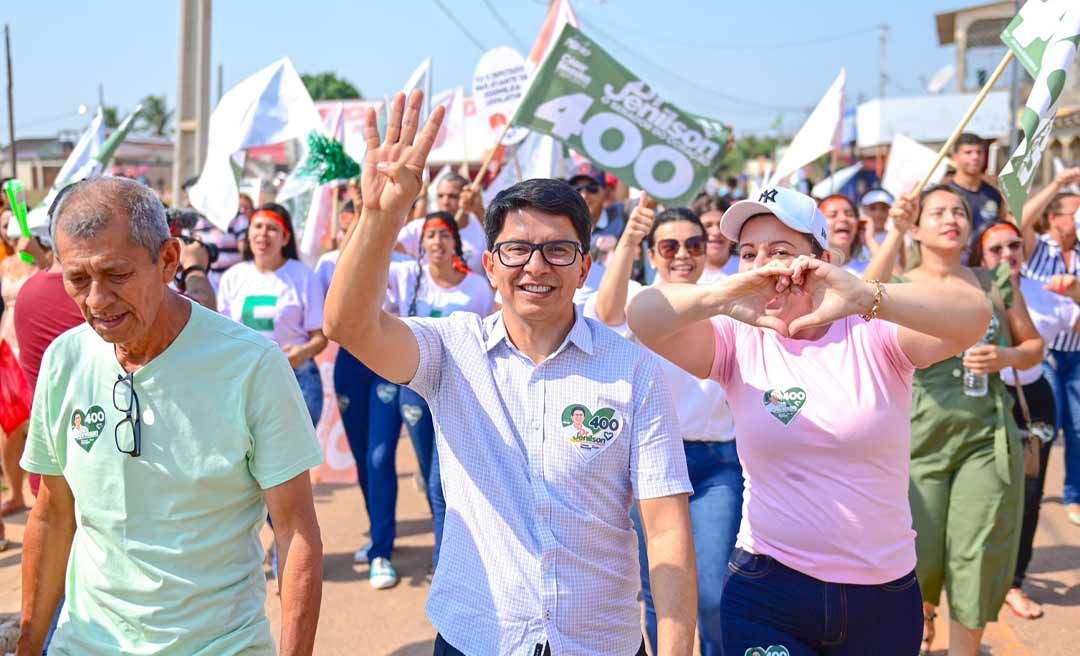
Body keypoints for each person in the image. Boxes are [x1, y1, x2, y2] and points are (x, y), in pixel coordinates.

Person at [324, 91, 695, 656]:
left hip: (600, 641)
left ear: (585, 268)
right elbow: (349, 324)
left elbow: (666, 530)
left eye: (558, 251)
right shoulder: (452, 350)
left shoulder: (632, 369)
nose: (537, 267)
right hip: (480, 635)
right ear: (490, 265)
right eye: (517, 250)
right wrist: (381, 215)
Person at [627, 185, 994, 656]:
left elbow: (973, 316)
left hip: (880, 594)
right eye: (749, 253)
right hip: (768, 588)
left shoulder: (872, 330)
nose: (767, 266)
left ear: (822, 257)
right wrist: (724, 295)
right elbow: (644, 316)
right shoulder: (737, 337)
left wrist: (864, 294)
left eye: (782, 252)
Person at [16, 176, 324, 655]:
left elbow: (295, 529)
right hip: (84, 644)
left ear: (167, 260)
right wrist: (29, 645)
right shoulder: (64, 361)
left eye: (116, 275)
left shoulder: (252, 366)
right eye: (78, 279)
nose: (96, 301)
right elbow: (54, 513)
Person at [864, 185, 1042, 656]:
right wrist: (892, 233)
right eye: (938, 211)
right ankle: (919, 630)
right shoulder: (899, 286)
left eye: (959, 211)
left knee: (976, 557)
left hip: (986, 437)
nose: (951, 218)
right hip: (914, 439)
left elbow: (1034, 348)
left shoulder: (993, 281)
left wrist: (1005, 354)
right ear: (917, 226)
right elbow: (860, 306)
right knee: (915, 558)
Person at [589, 195, 741, 656]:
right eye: (669, 246)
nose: (682, 255)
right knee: (660, 595)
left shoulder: (724, 294)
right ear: (652, 254)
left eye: (693, 244)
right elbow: (606, 314)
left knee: (714, 594)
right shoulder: (640, 298)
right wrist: (629, 240)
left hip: (718, 464)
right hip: (654, 467)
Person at [370, 210, 495, 584]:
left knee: (445, 482)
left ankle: (445, 566)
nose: (437, 241)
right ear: (419, 244)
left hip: (462, 394)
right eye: (430, 235)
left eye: (444, 235)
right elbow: (371, 266)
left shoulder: (476, 287)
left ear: (456, 242)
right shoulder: (407, 277)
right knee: (430, 476)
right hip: (416, 392)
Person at [971, 220, 1080, 620]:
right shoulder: (968, 292)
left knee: (1029, 498)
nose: (1006, 256)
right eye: (995, 249)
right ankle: (970, 578)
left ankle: (1013, 584)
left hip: (1034, 402)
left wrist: (1077, 294)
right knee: (983, 495)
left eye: (1014, 246)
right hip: (981, 403)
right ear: (981, 256)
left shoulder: (1044, 292)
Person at [218, 203, 328, 426]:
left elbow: (320, 338)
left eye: (271, 228)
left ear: (285, 238)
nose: (262, 234)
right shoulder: (232, 277)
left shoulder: (305, 277)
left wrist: (303, 351)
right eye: (257, 226)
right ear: (248, 234)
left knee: (295, 459)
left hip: (295, 379)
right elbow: (222, 334)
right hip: (245, 380)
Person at [1016, 166, 1080, 525]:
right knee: (1047, 426)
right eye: (1076, 211)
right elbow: (1018, 220)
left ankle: (1074, 495)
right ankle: (1029, 489)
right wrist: (1057, 183)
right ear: (1054, 218)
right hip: (1046, 352)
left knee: (1079, 427)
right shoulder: (1037, 249)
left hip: (1079, 350)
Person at [397, 172, 487, 271]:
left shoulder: (480, 226)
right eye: (440, 196)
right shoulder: (420, 227)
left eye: (452, 196)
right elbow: (388, 249)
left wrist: (479, 209)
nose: (445, 202)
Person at [948, 133, 1004, 237]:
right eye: (968, 152)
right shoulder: (947, 194)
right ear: (955, 157)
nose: (975, 157)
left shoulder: (993, 193)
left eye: (979, 152)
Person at [570, 171, 626, 248]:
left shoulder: (623, 211)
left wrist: (620, 244)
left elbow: (647, 199)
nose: (584, 195)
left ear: (605, 192)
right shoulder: (564, 226)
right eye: (577, 189)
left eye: (591, 188)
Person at [818, 194, 871, 276]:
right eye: (832, 215)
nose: (843, 219)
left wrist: (870, 240)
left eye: (850, 214)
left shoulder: (868, 267)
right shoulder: (810, 270)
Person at [692, 194, 737, 283]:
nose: (716, 232)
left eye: (721, 225)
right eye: (707, 225)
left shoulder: (746, 268)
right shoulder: (685, 272)